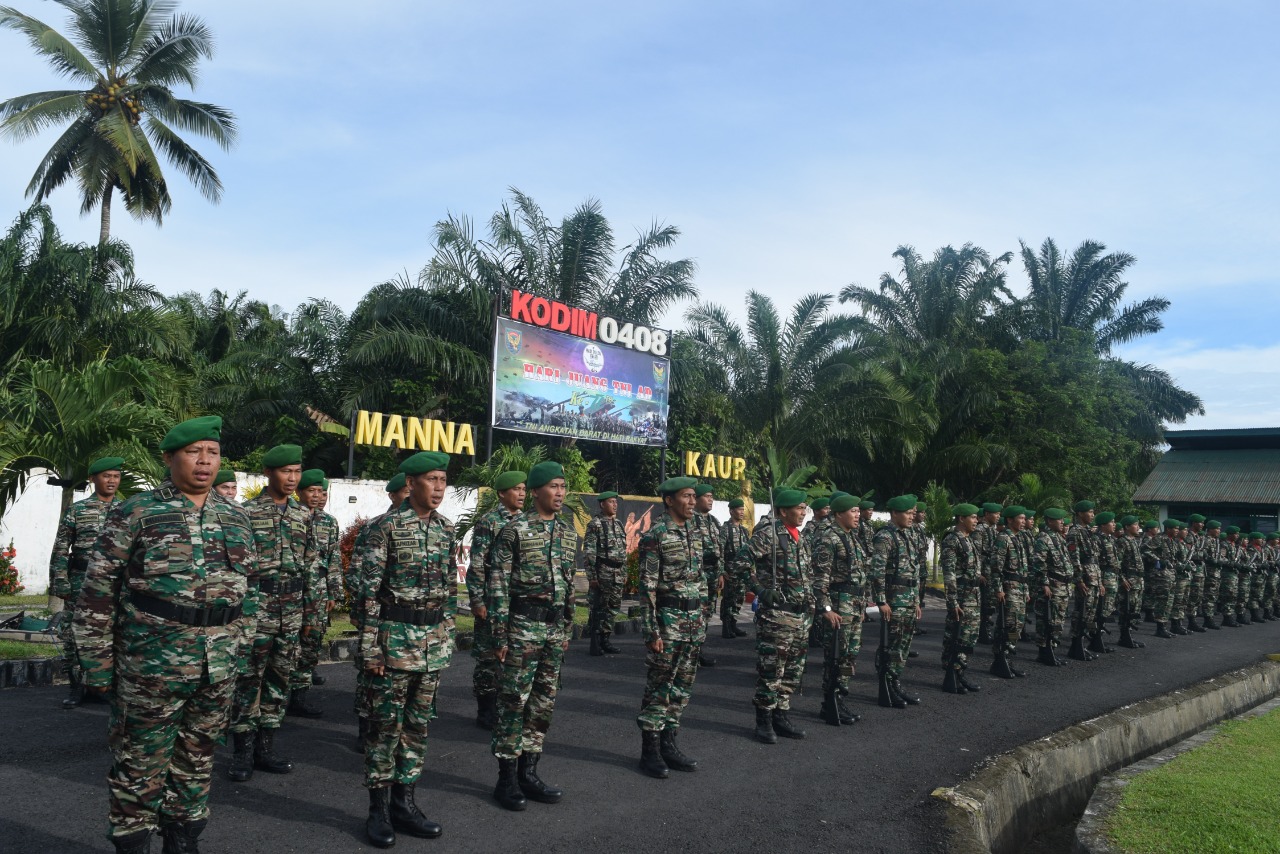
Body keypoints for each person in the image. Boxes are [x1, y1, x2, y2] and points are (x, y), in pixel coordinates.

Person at [73, 416, 253, 854]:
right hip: (151, 666)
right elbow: (98, 592)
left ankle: (183, 841)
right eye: (194, 452)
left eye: (212, 453)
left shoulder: (235, 516)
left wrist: (241, 647)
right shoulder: (137, 510)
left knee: (197, 761)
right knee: (140, 767)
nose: (205, 462)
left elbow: (251, 591)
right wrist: (97, 665)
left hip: (217, 666)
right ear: (169, 458)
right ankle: (132, 845)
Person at [355, 451, 456, 847]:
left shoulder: (446, 529)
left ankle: (405, 803)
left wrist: (446, 632)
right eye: (432, 480)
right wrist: (370, 650)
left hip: (431, 646)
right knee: (384, 730)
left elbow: (450, 590)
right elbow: (366, 595)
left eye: (443, 480)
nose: (439, 488)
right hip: (392, 645)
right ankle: (377, 811)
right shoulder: (383, 529)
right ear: (411, 484)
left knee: (417, 728)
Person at [488, 461, 578, 811]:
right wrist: (499, 636)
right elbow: (497, 585)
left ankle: (529, 772)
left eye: (563, 487)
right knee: (513, 703)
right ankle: (506, 779)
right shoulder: (515, 530)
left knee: (543, 702)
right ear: (536, 491)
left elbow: (570, 586)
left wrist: (567, 627)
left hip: (554, 630)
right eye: (553, 486)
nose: (559, 493)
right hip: (522, 628)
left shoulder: (569, 533)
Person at [227, 444, 311, 782]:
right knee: (248, 680)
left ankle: (266, 748)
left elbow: (309, 565)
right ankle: (242, 752)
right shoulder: (246, 513)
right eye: (284, 471)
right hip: (255, 609)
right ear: (268, 473)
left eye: (296, 471)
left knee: (279, 680)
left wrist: (308, 610)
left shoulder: (304, 515)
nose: (292, 478)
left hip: (290, 610)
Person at [636, 476, 716, 777]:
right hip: (668, 623)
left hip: (693, 624)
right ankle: (650, 752)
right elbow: (647, 587)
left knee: (682, 688)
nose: (692, 502)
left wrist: (704, 615)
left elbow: (701, 580)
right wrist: (651, 631)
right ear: (669, 500)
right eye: (686, 496)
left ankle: (670, 744)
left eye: (694, 496)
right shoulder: (656, 535)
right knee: (660, 687)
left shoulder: (695, 532)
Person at [49, 455, 123, 710]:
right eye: (106, 476)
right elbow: (60, 549)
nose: (112, 480)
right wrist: (61, 583)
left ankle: (105, 687)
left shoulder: (127, 511)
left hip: (117, 586)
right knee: (73, 635)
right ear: (93, 479)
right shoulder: (78, 510)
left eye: (116, 476)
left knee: (115, 634)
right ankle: (76, 686)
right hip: (82, 582)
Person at [745, 489, 814, 741]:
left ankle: (781, 715)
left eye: (805, 507)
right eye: (799, 508)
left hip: (800, 617)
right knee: (772, 671)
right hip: (777, 617)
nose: (803, 512)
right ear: (783, 511)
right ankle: (763, 720)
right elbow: (740, 564)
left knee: (793, 672)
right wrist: (760, 591)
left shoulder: (800, 538)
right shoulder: (768, 534)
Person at [351, 473, 413, 748]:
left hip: (411, 622)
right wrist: (361, 606)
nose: (410, 496)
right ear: (393, 495)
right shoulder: (377, 526)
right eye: (404, 492)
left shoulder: (427, 528)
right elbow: (357, 569)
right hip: (378, 612)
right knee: (371, 676)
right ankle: (367, 728)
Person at [465, 470, 526, 729]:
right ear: (502, 494)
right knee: (488, 657)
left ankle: (508, 705)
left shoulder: (528, 522)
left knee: (514, 654)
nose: (522, 493)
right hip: (492, 598)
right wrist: (477, 600)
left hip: (519, 600)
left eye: (524, 489)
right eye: (516, 489)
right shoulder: (489, 522)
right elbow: (477, 563)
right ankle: (485, 709)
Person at [287, 470, 342, 717]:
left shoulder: (328, 522)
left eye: (320, 491)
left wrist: (333, 591)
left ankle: (299, 697)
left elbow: (333, 558)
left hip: (318, 593)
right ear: (299, 492)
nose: (316, 496)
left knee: (310, 645)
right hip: (290, 592)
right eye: (311, 491)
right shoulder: (289, 516)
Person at [810, 494, 867, 724]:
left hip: (853, 605)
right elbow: (819, 578)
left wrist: (862, 606)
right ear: (839, 514)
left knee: (849, 656)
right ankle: (829, 701)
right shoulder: (828, 538)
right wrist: (825, 608)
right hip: (839, 605)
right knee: (835, 656)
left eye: (857, 511)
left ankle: (840, 697)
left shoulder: (851, 536)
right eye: (853, 511)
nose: (857, 515)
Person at [868, 494, 924, 706]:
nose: (912, 517)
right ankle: (887, 684)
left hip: (908, 599)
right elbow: (877, 571)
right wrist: (881, 601)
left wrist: (917, 600)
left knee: (903, 645)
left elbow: (915, 570)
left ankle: (895, 682)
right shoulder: (885, 537)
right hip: (894, 601)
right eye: (908, 513)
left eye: (912, 513)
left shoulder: (908, 535)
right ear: (894, 513)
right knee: (892, 646)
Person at [940, 504, 983, 694]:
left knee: (968, 638)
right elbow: (949, 574)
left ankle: (960, 673)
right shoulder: (952, 540)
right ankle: (951, 673)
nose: (976, 521)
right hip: (962, 597)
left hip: (973, 596)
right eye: (972, 517)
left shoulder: (969, 539)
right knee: (955, 637)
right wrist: (952, 601)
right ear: (961, 519)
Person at [582, 490, 627, 656]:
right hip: (603, 572)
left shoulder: (619, 524)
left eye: (616, 502)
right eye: (611, 502)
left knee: (613, 608)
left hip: (618, 572)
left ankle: (606, 640)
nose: (614, 505)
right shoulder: (595, 525)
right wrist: (592, 577)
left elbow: (623, 551)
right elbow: (589, 552)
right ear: (602, 504)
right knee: (599, 608)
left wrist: (625, 571)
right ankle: (595, 640)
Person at [1031, 508, 1073, 666]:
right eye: (1059, 519)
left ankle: (1051, 650)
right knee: (1047, 620)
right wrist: (1044, 583)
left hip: (1063, 586)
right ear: (1049, 521)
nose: (1062, 522)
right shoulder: (1044, 538)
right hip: (1053, 586)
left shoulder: (1059, 538)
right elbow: (1038, 563)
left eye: (1063, 519)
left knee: (1058, 621)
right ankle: (1044, 652)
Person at [991, 505, 1030, 677]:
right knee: (1007, 625)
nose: (1023, 521)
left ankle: (1008, 656)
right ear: (1009, 520)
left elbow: (1024, 569)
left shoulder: (1019, 538)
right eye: (1020, 518)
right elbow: (996, 568)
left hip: (1020, 589)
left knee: (1018, 625)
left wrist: (1026, 589)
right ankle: (1000, 658)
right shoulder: (1003, 538)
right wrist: (999, 590)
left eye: (1024, 518)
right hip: (1009, 589)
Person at [1065, 500, 1101, 661]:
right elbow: (1074, 558)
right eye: (1089, 512)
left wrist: (1099, 581)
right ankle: (1076, 644)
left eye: (1093, 512)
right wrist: (1078, 580)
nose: (1092, 514)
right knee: (1081, 611)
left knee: (1090, 613)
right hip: (1085, 577)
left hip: (1093, 576)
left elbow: (1095, 558)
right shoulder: (1075, 532)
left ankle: (1082, 643)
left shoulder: (1088, 532)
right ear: (1080, 514)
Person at [692, 484, 723, 666]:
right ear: (696, 499)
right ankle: (692, 652)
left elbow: (720, 550)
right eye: (707, 496)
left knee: (707, 613)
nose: (710, 500)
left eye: (712, 496)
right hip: (699, 574)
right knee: (696, 612)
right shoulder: (692, 520)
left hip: (712, 573)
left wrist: (720, 573)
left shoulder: (714, 522)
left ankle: (699, 649)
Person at [1089, 512, 1120, 652]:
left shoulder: (1111, 539)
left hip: (1112, 576)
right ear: (1103, 525)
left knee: (1107, 609)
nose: (1114, 525)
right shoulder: (1097, 539)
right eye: (1111, 522)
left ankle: (1098, 638)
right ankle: (1095, 639)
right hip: (1103, 576)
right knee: (1100, 610)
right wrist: (1099, 581)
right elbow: (1096, 562)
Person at [719, 498, 750, 638]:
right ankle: (726, 626)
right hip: (730, 569)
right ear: (732, 511)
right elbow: (719, 551)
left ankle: (733, 624)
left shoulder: (744, 531)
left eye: (743, 510)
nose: (742, 512)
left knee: (739, 597)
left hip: (742, 570)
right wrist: (721, 570)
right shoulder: (725, 530)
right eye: (739, 510)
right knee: (729, 598)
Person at [1115, 515, 1147, 649]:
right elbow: (1117, 563)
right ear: (1127, 527)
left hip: (1138, 580)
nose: (1138, 527)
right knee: (1126, 609)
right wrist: (1122, 579)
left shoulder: (1134, 540)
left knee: (1135, 609)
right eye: (1135, 524)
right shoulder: (1122, 541)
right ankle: (1124, 636)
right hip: (1129, 580)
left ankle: (1129, 635)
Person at [973, 502, 1002, 644]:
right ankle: (982, 632)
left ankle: (986, 630)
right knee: (983, 603)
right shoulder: (980, 530)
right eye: (995, 514)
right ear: (986, 515)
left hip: (991, 572)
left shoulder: (993, 531)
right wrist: (978, 573)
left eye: (999, 514)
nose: (998, 516)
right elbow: (976, 553)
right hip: (984, 572)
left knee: (989, 603)